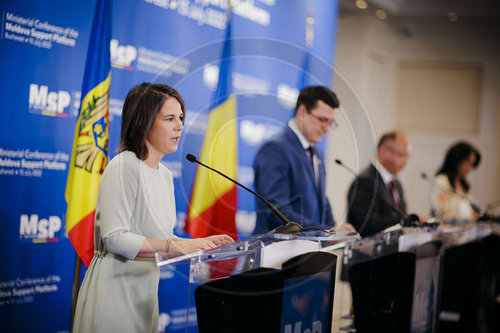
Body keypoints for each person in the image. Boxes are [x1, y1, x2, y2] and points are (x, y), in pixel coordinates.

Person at [72, 83, 234, 333]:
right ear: (143, 122)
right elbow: (115, 238)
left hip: (145, 294)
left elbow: (162, 238)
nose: (179, 126)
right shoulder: (124, 165)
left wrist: (200, 245)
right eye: (169, 118)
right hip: (114, 291)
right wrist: (176, 245)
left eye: (180, 118)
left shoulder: (165, 175)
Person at [253, 85, 355, 234]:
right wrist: (325, 230)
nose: (327, 128)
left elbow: (321, 200)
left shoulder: (317, 153)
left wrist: (334, 228)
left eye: (331, 123)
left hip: (307, 250)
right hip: (278, 251)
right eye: (322, 120)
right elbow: (277, 211)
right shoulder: (275, 149)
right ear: (302, 112)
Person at [347, 131, 410, 237]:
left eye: (406, 157)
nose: (405, 161)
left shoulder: (397, 184)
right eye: (401, 155)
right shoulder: (364, 181)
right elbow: (366, 223)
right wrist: (403, 220)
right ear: (383, 151)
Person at [430, 142, 481, 224]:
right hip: (446, 233)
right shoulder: (441, 181)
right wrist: (469, 219)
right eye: (468, 162)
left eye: (472, 164)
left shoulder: (463, 186)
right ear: (457, 160)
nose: (470, 168)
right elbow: (442, 213)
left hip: (465, 232)